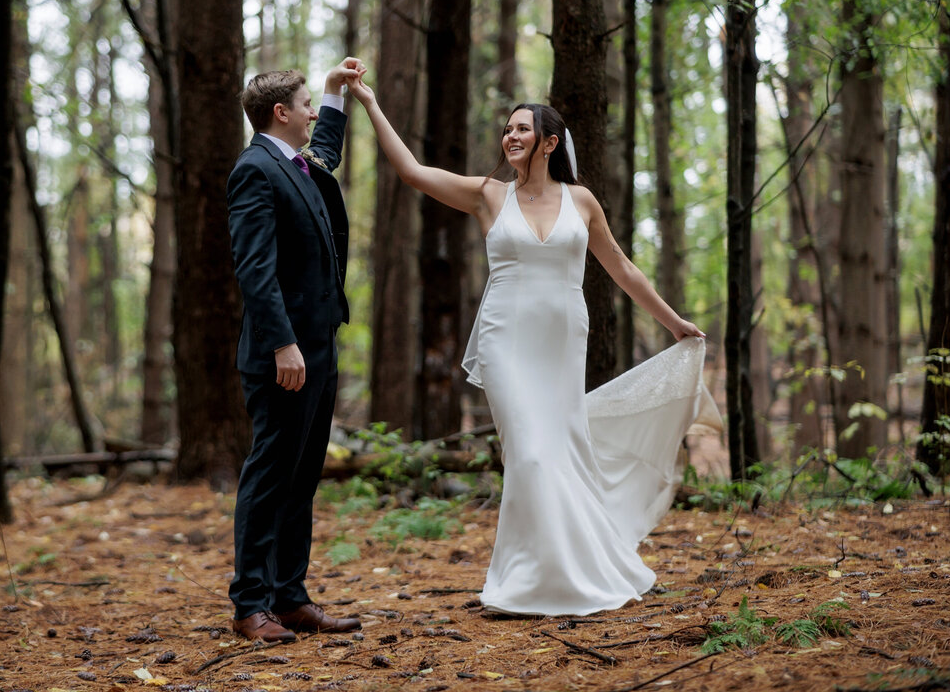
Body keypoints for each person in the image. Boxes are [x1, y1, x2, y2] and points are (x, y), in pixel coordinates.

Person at [349, 80, 721, 617]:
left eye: (522, 128)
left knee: (563, 451)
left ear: (550, 141)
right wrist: (370, 102)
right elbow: (413, 173)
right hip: (505, 339)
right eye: (507, 130)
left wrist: (672, 322)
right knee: (528, 452)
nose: (510, 136)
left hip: (563, 340)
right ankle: (523, 581)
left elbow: (623, 269)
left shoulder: (582, 201)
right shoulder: (489, 195)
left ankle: (576, 570)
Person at [226, 59, 367, 642]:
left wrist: (335, 93)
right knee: (270, 476)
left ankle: (290, 598)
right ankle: (249, 606)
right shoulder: (255, 170)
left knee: (302, 477)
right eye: (308, 103)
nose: (314, 113)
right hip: (282, 356)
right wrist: (283, 343)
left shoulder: (296, 163)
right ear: (281, 113)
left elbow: (326, 153)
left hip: (318, 347)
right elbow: (254, 269)